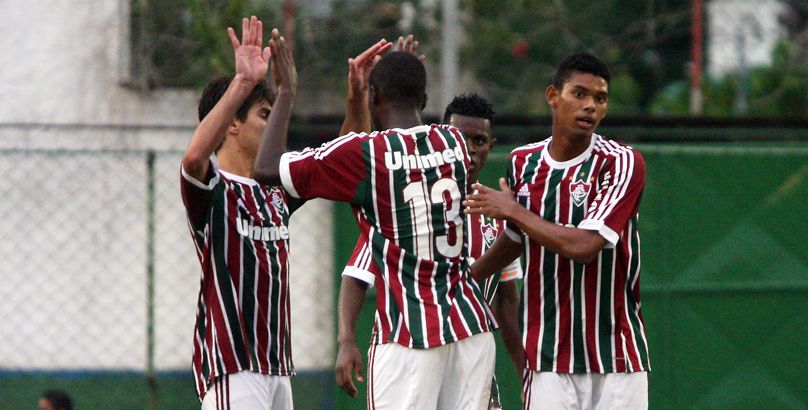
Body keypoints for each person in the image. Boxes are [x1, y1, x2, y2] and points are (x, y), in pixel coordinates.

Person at [253, 50, 498, 409]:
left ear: (376, 96)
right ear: (424, 99)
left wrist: (287, 92)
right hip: (470, 328)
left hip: (410, 335)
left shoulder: (366, 153)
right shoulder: (454, 143)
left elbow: (266, 169)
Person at [465, 53, 650, 409]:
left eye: (600, 98)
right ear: (553, 96)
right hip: (548, 358)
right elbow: (515, 239)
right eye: (578, 94)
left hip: (617, 358)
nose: (590, 107)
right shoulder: (523, 162)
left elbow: (585, 247)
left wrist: (514, 210)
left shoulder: (623, 162)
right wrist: (463, 281)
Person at [334, 92, 524, 410]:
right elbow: (356, 274)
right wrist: (346, 338)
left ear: (491, 145)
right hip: (411, 351)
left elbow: (506, 300)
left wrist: (524, 372)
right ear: (444, 139)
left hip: (468, 358)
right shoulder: (408, 204)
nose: (471, 149)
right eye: (462, 139)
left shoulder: (497, 212)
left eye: (479, 140)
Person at [180, 16, 301, 409]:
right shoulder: (213, 188)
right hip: (234, 366)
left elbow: (341, 160)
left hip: (278, 365)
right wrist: (243, 83)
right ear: (232, 123)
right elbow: (194, 157)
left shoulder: (274, 190)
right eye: (263, 115)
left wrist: (355, 97)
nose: (273, 126)